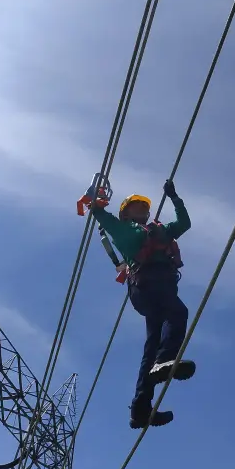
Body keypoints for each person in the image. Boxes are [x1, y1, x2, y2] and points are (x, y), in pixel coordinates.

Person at [90, 179, 196, 429]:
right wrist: (95, 198)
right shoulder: (122, 230)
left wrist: (175, 198)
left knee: (152, 348)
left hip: (159, 288)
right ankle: (165, 359)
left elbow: (184, 223)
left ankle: (140, 410)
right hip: (147, 285)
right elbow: (98, 213)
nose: (143, 209)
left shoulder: (159, 230)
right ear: (125, 213)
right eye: (136, 206)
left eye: (144, 206)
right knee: (178, 312)